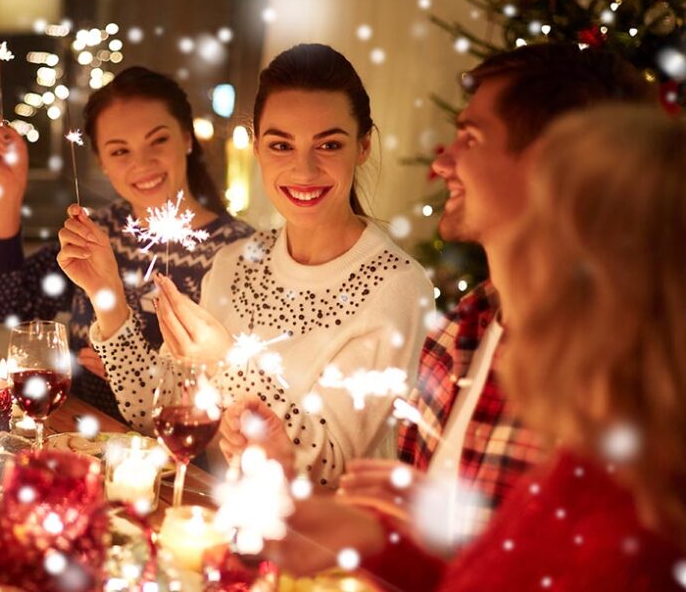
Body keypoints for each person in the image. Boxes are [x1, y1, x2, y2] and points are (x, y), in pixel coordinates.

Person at [276, 105, 686, 591]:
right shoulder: (586, 463)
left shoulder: (629, 529)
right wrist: (372, 541)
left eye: (534, 231)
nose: (508, 265)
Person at [67, 44, 434, 485]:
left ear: (363, 145)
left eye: (329, 144)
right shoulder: (235, 261)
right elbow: (156, 414)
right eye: (281, 144)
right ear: (257, 147)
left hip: (311, 542)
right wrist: (106, 298)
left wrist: (227, 364)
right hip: (219, 521)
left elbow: (331, 472)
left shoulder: (396, 285)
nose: (304, 168)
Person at [336, 43, 656, 547]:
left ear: (552, 162)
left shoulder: (618, 383)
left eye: (471, 137)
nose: (443, 164)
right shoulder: (455, 335)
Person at [0, 66, 253, 420]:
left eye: (158, 140)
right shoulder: (97, 231)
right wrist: (9, 189)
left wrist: (131, 370)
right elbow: (2, 303)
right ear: (102, 162)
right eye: (120, 151)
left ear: (186, 138)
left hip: (175, 459)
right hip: (79, 439)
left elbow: (239, 391)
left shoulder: (238, 252)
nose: (143, 162)